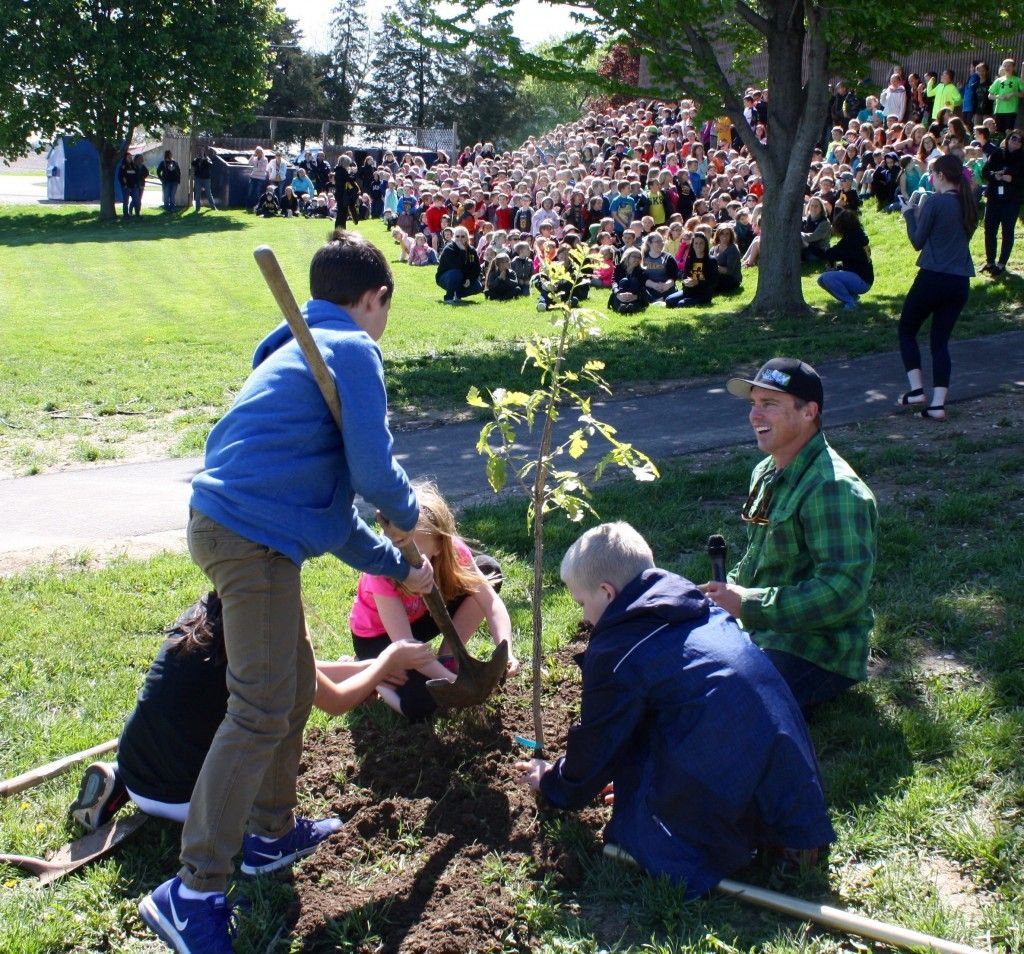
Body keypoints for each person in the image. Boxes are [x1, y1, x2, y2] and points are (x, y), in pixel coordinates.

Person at [137, 230, 434, 953]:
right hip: (254, 541)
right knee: (262, 706)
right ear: (375, 298)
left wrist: (395, 567)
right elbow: (372, 473)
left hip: (232, 528)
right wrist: (411, 520)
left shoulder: (292, 351)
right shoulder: (352, 349)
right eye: (385, 309)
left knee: (292, 686)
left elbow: (330, 520)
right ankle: (195, 889)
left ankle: (271, 833)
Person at [515, 522, 835, 899]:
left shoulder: (618, 651)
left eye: (582, 604)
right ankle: (789, 833)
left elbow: (598, 742)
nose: (584, 618)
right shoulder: (694, 608)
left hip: (729, 791)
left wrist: (553, 782)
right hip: (793, 780)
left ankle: (763, 842)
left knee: (640, 829)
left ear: (606, 592)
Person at [69, 592, 435, 832]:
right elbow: (333, 701)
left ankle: (118, 782)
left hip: (137, 768)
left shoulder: (212, 609)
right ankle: (274, 832)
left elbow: (305, 671)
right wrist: (387, 659)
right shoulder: (272, 618)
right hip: (193, 802)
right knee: (277, 709)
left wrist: (372, 669)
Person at [702, 358, 878, 712]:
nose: (755, 416)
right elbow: (759, 558)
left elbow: (841, 592)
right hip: (765, 630)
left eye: (769, 405)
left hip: (818, 651)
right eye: (753, 404)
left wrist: (748, 604)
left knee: (724, 701)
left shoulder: (833, 488)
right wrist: (722, 594)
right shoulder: (766, 471)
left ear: (809, 412)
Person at [350, 480, 519, 723]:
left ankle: (449, 656)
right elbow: (406, 645)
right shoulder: (383, 571)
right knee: (424, 703)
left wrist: (507, 652)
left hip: (421, 618)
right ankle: (371, 673)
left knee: (488, 571)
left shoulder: (452, 550)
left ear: (439, 545)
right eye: (399, 550)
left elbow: (490, 602)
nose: (403, 562)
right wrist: (456, 683)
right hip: (381, 640)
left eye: (415, 553)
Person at [895, 154, 978, 420]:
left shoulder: (935, 201)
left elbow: (918, 241)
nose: (930, 178)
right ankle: (937, 405)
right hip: (959, 281)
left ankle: (917, 390)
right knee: (939, 342)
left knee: (907, 329)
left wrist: (909, 214)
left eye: (933, 174)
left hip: (932, 277)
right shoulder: (969, 203)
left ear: (941, 175)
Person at [980, 128, 1023, 275]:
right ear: (1008, 139)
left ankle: (1001, 264)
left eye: (1019, 140)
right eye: (1013, 138)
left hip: (1012, 201)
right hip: (993, 198)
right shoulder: (997, 153)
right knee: (989, 231)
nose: (1016, 142)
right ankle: (990, 261)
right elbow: (985, 172)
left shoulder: (1022, 157)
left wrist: (1012, 179)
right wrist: (994, 176)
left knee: (1007, 232)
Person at [817, 210, 873, 309]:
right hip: (862, 277)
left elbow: (829, 254)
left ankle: (850, 303)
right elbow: (853, 261)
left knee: (827, 277)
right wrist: (837, 267)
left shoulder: (851, 240)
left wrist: (808, 246)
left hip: (862, 281)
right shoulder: (857, 236)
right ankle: (852, 297)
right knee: (821, 279)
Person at [665, 232, 716, 307]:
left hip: (703, 293)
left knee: (680, 304)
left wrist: (697, 282)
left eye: (701, 243)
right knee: (669, 300)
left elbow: (713, 282)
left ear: (705, 244)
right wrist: (686, 282)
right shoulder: (690, 259)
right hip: (689, 290)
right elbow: (684, 276)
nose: (698, 246)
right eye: (696, 243)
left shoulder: (711, 260)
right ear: (693, 245)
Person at [435, 226, 482, 304]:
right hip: (446, 277)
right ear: (454, 237)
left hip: (462, 278)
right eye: (457, 236)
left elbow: (476, 269)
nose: (460, 238)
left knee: (478, 287)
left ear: (467, 237)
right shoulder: (449, 249)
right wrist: (462, 251)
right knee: (456, 273)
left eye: (463, 236)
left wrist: (469, 279)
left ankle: (457, 295)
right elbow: (457, 266)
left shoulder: (472, 250)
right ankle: (448, 298)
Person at [988, 59, 1024, 136]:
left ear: (1013, 68)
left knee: (1008, 132)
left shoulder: (1018, 80)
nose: (1007, 68)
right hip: (999, 110)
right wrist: (999, 97)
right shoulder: (998, 80)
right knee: (999, 132)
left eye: (1009, 66)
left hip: (1011, 110)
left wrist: (1013, 93)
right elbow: (990, 96)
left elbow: (1022, 94)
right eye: (1005, 66)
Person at [191, 146, 217, 212]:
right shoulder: (196, 159)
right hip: (198, 179)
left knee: (208, 193)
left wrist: (204, 159)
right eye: (200, 150)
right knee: (197, 194)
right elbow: (192, 164)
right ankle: (197, 208)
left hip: (206, 179)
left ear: (204, 152)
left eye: (202, 150)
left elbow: (210, 165)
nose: (201, 152)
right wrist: (198, 159)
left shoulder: (207, 158)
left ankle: (213, 207)